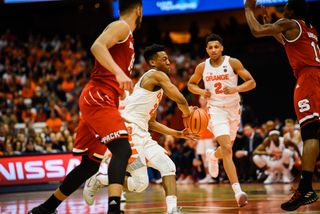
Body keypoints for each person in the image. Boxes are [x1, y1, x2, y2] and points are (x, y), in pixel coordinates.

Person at [28, 1, 143, 214]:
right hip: (98, 96)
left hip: (101, 98)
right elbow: (96, 46)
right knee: (122, 149)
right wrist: (119, 73)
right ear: (139, 10)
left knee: (90, 165)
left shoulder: (125, 34)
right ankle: (114, 209)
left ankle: (46, 208)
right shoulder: (122, 27)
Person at [83, 44, 197, 214]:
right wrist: (189, 115)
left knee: (168, 166)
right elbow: (180, 99)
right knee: (140, 184)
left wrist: (179, 133)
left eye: (168, 58)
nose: (168, 62)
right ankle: (99, 179)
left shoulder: (155, 84)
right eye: (163, 59)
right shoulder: (156, 76)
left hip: (142, 133)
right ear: (152, 62)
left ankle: (172, 210)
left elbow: (151, 122)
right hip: (130, 131)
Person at [245, 0, 320, 210]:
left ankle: (305, 187)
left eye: (284, 9)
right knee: (314, 132)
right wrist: (274, 30)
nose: (281, 12)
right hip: (316, 77)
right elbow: (289, 41)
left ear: (291, 12)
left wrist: (248, 9)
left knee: (310, 133)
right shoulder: (309, 28)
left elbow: (257, 31)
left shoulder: (290, 23)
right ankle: (306, 187)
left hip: (309, 80)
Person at [188, 33, 256, 207]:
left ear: (222, 48)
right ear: (206, 50)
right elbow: (191, 84)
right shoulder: (202, 67)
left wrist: (235, 88)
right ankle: (238, 191)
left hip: (233, 110)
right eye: (210, 47)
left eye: (216, 47)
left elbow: (251, 82)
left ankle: (212, 155)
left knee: (226, 150)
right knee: (227, 148)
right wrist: (201, 92)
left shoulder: (232, 62)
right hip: (215, 110)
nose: (213, 50)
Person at [196, 96, 217, 184]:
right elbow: (195, 125)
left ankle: (214, 176)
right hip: (201, 138)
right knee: (203, 158)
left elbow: (215, 123)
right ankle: (208, 175)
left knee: (211, 157)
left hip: (210, 138)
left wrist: (215, 136)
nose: (203, 100)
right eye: (201, 99)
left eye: (204, 99)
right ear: (199, 100)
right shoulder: (197, 112)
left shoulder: (211, 110)